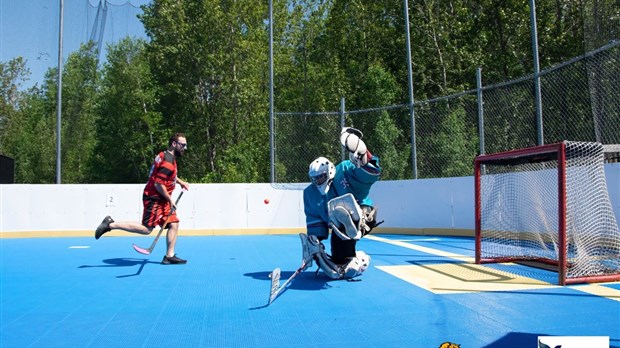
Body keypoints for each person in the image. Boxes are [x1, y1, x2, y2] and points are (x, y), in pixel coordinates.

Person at [95, 133, 191, 265]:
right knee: (146, 229)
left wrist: (180, 182)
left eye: (185, 145)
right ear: (174, 144)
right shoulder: (168, 162)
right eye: (182, 145)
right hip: (155, 198)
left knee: (174, 224)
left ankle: (169, 256)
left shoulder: (165, 155)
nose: (184, 148)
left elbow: (167, 176)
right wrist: (170, 200)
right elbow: (158, 184)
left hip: (163, 199)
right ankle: (110, 224)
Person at [300, 127, 382, 279]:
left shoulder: (344, 169)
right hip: (338, 228)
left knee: (347, 217)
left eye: (321, 177)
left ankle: (358, 221)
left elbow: (369, 173)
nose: (318, 181)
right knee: (340, 259)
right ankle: (356, 260)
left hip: (364, 211)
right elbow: (315, 221)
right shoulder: (309, 193)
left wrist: (364, 154)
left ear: (329, 172)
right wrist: (314, 243)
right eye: (315, 178)